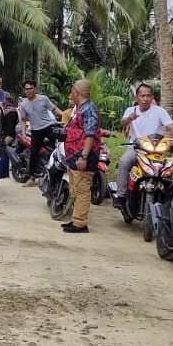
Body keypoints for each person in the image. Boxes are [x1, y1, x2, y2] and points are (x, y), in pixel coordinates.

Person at [114, 83, 173, 208]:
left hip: (156, 150)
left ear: (152, 97)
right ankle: (121, 195)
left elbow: (170, 126)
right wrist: (129, 119)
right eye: (142, 96)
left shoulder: (159, 111)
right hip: (136, 149)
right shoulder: (131, 110)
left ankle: (170, 201)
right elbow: (122, 122)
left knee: (170, 169)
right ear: (137, 97)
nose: (146, 98)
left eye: (148, 96)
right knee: (124, 161)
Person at [61, 79, 101, 234]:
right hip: (74, 156)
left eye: (72, 90)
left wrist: (83, 156)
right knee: (75, 188)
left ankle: (80, 223)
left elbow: (90, 135)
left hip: (83, 157)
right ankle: (76, 218)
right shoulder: (80, 108)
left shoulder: (89, 109)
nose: (70, 93)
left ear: (77, 92)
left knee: (82, 189)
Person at [19, 81, 63, 186]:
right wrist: (23, 132)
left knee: (60, 145)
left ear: (35, 89)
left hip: (49, 127)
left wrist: (65, 115)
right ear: (24, 90)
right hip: (36, 131)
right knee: (34, 153)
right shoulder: (24, 104)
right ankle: (32, 178)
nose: (29, 91)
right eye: (26, 89)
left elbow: (54, 109)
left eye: (31, 88)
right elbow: (23, 119)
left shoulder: (43, 98)